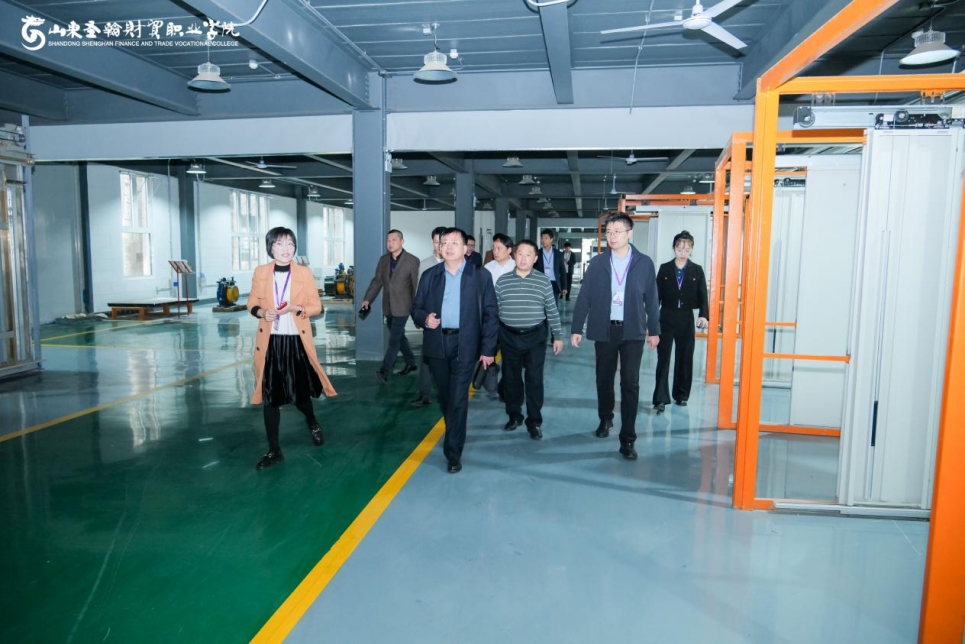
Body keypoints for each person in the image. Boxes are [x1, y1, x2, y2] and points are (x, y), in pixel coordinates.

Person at [570, 212, 660, 461]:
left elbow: (652, 300)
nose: (612, 236)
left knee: (630, 383)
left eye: (617, 231)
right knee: (604, 378)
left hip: (632, 331)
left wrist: (654, 330)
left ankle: (628, 439)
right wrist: (576, 327)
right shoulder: (598, 263)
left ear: (629, 233)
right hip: (605, 329)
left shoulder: (644, 263)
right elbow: (585, 296)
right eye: (609, 232)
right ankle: (605, 418)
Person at [246, 227, 337, 470]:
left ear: (295, 247)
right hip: (271, 342)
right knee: (270, 397)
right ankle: (274, 450)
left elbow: (316, 306)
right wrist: (262, 312)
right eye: (279, 244)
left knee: (299, 394)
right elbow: (251, 302)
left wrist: (296, 308)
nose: (285, 249)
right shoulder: (261, 272)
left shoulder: (304, 273)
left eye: (289, 243)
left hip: (296, 340)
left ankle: (312, 421)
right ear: (270, 248)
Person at [411, 227, 498, 473]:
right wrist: (424, 318)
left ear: (465, 248)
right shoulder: (430, 275)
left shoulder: (480, 276)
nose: (448, 247)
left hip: (466, 344)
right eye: (444, 243)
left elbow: (491, 314)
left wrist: (488, 349)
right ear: (439, 247)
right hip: (437, 344)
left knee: (458, 398)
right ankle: (454, 432)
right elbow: (415, 307)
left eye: (454, 243)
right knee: (446, 396)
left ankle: (453, 452)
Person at [495, 239, 563, 440]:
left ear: (535, 259)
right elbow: (494, 311)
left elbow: (552, 310)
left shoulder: (543, 281)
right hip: (508, 337)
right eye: (520, 254)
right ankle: (514, 415)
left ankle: (534, 421)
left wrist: (557, 336)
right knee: (511, 379)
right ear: (514, 256)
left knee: (534, 379)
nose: (523, 259)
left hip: (535, 338)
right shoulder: (502, 281)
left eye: (528, 255)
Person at [653, 230, 709, 412]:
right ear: (674, 248)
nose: (683, 253)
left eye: (687, 249)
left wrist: (703, 315)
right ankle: (660, 398)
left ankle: (681, 395)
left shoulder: (697, 270)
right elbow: (656, 296)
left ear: (691, 250)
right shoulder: (664, 268)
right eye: (680, 249)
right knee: (663, 358)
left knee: (685, 357)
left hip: (686, 318)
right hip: (666, 317)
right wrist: (652, 321)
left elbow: (703, 295)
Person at [361, 229, 420, 384]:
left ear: (402, 242)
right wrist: (367, 300)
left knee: (393, 339)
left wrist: (417, 311)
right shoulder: (383, 260)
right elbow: (377, 281)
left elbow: (416, 286)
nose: (390, 243)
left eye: (394, 240)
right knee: (399, 337)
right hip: (388, 306)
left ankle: (384, 370)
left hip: (403, 306)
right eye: (388, 240)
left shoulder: (412, 260)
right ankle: (411, 363)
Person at [411, 226, 447, 407]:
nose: (439, 245)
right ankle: (424, 394)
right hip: (431, 320)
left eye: (443, 242)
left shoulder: (456, 265)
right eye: (436, 242)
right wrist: (421, 317)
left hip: (451, 322)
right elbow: (419, 294)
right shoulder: (425, 265)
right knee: (426, 358)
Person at [534, 229, 567, 302]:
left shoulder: (558, 254)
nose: (543, 240)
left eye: (546, 238)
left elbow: (562, 271)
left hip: (554, 283)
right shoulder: (537, 253)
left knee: (554, 305)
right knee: (541, 305)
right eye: (542, 238)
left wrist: (564, 287)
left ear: (551, 239)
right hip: (541, 283)